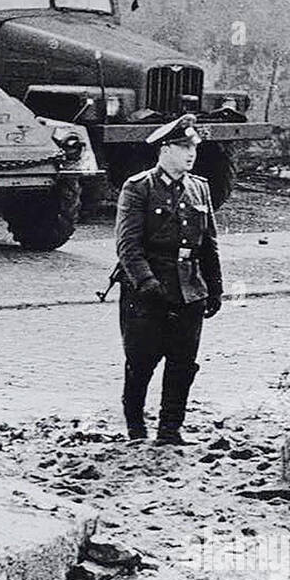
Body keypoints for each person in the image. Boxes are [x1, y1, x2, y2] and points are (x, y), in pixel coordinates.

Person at [114, 113, 223, 443]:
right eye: (182, 146)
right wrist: (147, 284)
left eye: (193, 147)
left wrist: (214, 287)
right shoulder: (138, 189)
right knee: (141, 362)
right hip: (147, 292)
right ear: (164, 150)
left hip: (189, 290)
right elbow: (127, 245)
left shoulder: (200, 189)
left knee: (182, 364)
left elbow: (209, 245)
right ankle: (135, 424)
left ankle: (170, 428)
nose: (190, 153)